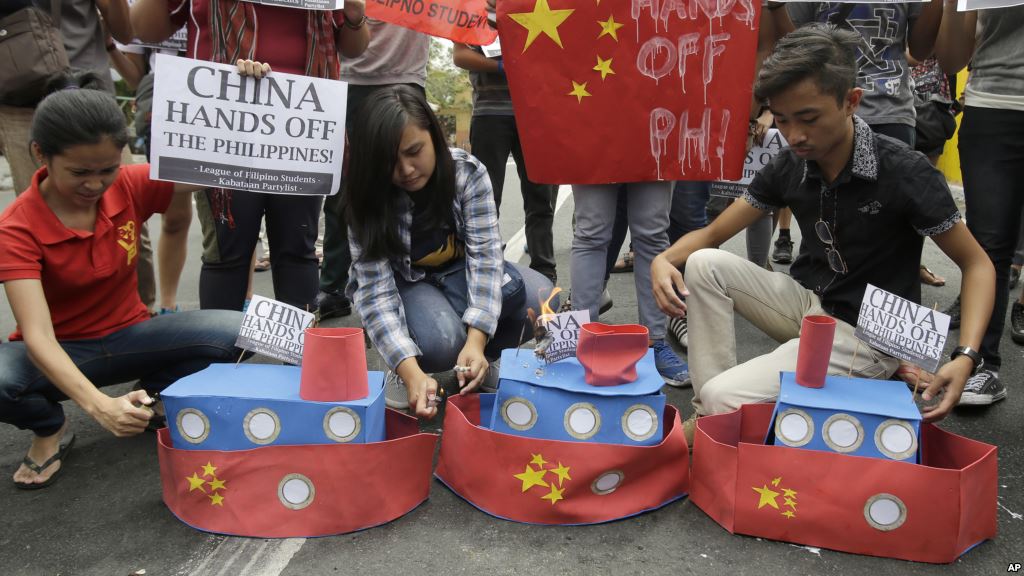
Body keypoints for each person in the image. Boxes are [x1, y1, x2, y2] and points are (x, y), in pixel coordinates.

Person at [650, 24, 994, 441]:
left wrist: (966, 356)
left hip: (872, 334)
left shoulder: (904, 172)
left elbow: (976, 264)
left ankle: (719, 416)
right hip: (813, 307)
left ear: (851, 102)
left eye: (809, 119)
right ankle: (712, 419)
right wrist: (663, 259)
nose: (794, 135)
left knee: (725, 396)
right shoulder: (791, 163)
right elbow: (712, 234)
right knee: (703, 265)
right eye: (782, 119)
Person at [0, 81, 244, 490]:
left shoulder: (129, 184)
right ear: (41, 154)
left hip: (134, 335)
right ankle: (49, 427)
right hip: (63, 349)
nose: (96, 185)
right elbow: (38, 337)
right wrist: (99, 408)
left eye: (106, 170)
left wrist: (246, 90)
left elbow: (221, 162)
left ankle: (150, 396)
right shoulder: (16, 228)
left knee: (245, 329)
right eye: (80, 172)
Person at [130, 0, 370, 312]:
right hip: (223, 126)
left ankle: (297, 359)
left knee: (297, 249)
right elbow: (147, 28)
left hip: (302, 133)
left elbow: (354, 46)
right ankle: (220, 356)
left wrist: (355, 14)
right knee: (227, 251)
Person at [344, 85, 553, 419]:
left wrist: (477, 340)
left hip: (458, 275)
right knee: (441, 341)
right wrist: (411, 370)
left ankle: (482, 358)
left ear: (435, 136)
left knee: (542, 296)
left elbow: (485, 259)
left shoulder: (467, 173)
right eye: (390, 161)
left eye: (414, 151)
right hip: (408, 285)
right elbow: (374, 291)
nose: (407, 169)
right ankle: (402, 362)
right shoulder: (366, 197)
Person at [935, 4, 1024, 404]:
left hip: (995, 109)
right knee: (989, 243)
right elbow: (952, 58)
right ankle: (980, 363)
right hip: (994, 104)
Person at [317, 19, 432, 320]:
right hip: (351, 77)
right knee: (345, 185)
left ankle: (419, 276)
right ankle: (333, 286)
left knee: (412, 182)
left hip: (406, 74)